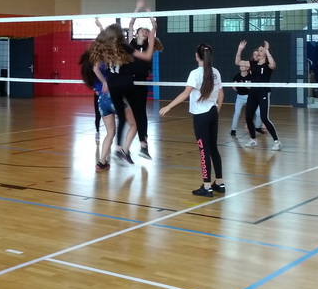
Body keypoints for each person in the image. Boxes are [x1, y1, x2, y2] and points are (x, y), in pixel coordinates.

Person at [87, 20, 157, 166]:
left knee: (112, 130)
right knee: (135, 120)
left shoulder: (104, 48)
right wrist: (151, 41)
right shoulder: (124, 47)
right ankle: (126, 148)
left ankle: (103, 161)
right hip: (124, 88)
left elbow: (95, 68)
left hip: (106, 96)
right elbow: (146, 57)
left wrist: (104, 82)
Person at [159, 43, 225, 197]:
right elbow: (221, 94)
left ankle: (207, 186)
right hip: (213, 112)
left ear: (197, 56)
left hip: (201, 115)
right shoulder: (216, 72)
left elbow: (185, 93)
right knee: (213, 148)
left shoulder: (195, 73)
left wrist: (168, 106)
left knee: (204, 150)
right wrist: (216, 110)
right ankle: (219, 183)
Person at [120, 10, 162, 159]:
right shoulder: (131, 44)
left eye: (146, 30)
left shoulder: (149, 44)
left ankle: (143, 145)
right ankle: (122, 147)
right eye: (142, 30)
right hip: (129, 82)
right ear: (137, 33)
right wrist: (137, 11)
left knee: (141, 114)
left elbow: (154, 26)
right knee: (130, 114)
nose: (144, 31)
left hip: (142, 82)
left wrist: (150, 15)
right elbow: (131, 24)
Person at [235, 40, 282, 150]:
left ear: (266, 53)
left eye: (261, 51)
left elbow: (273, 65)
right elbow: (238, 62)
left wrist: (267, 50)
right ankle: (253, 139)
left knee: (264, 118)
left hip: (263, 92)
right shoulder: (253, 64)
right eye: (259, 50)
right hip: (252, 93)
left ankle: (277, 141)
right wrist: (240, 49)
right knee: (248, 117)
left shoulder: (268, 65)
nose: (259, 52)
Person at [229, 60, 262, 137]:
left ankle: (257, 127)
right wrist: (238, 88)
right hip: (240, 97)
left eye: (244, 66)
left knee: (259, 112)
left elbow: (252, 87)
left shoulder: (251, 76)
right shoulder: (237, 76)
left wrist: (245, 85)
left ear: (247, 68)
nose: (242, 67)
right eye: (241, 66)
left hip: (250, 97)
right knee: (237, 112)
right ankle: (233, 129)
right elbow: (233, 86)